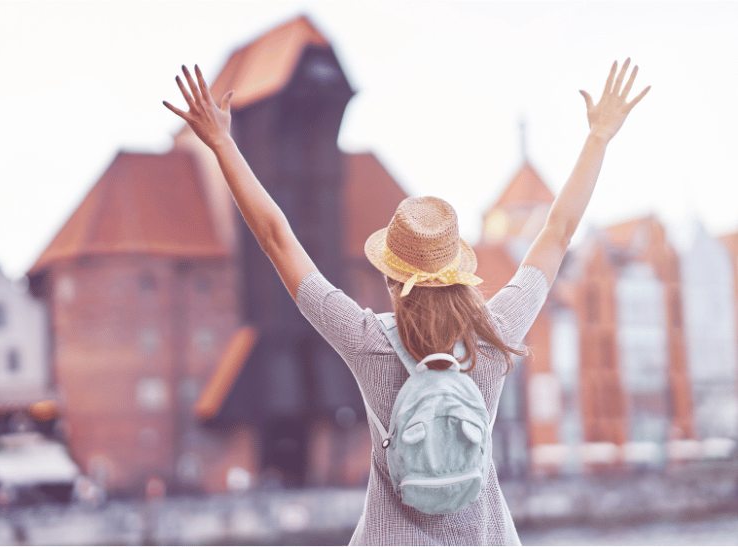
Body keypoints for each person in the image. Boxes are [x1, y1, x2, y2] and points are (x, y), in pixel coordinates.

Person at [164, 60, 649, 545]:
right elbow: (558, 231)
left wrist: (223, 143)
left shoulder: (366, 340)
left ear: (393, 277)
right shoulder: (496, 334)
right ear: (459, 273)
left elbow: (276, 238)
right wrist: (598, 137)